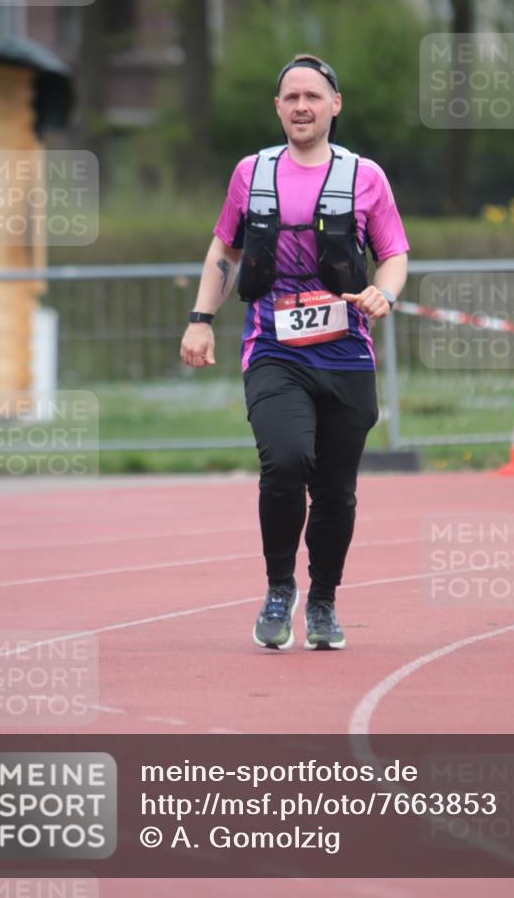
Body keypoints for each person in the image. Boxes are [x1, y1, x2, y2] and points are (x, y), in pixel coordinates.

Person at [180, 54, 409, 651]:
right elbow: (225, 251)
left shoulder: (366, 176)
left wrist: (384, 293)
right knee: (283, 461)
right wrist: (201, 320)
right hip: (273, 349)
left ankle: (324, 601)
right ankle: (280, 587)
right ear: (277, 108)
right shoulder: (251, 173)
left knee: (335, 490)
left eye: (313, 96)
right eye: (291, 97)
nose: (302, 106)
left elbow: (393, 253)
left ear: (335, 105)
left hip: (347, 355)